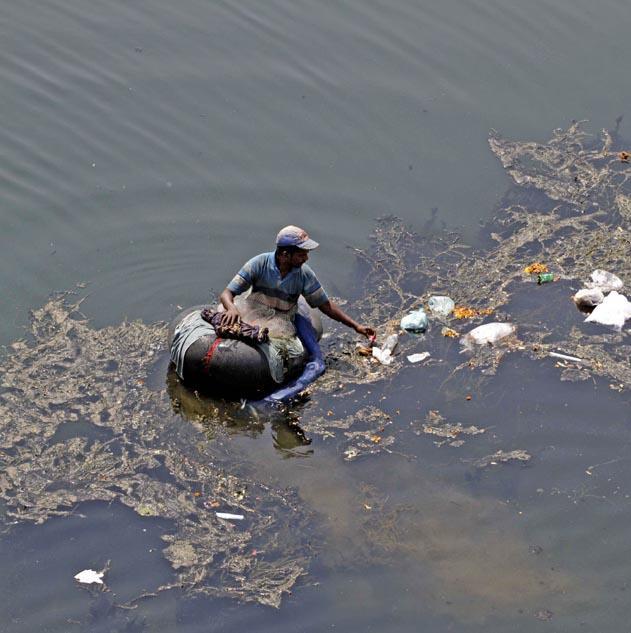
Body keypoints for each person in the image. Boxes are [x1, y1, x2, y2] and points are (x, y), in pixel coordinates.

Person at [219, 225, 375, 402]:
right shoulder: (259, 263)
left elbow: (325, 306)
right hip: (256, 309)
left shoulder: (304, 275)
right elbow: (227, 293)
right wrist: (231, 308)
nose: (306, 258)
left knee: (318, 364)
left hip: (285, 317)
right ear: (285, 255)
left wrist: (356, 326)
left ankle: (273, 399)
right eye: (301, 254)